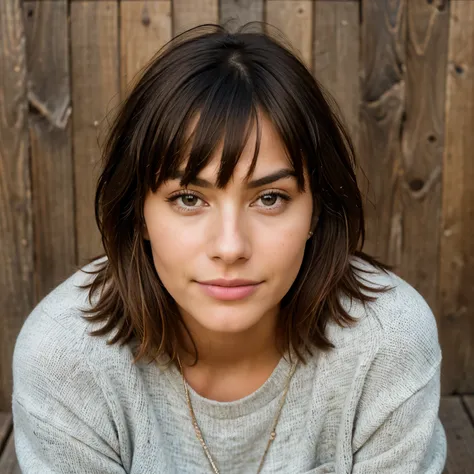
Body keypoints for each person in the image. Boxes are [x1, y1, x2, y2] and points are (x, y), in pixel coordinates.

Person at [12, 23, 446, 474]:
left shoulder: (387, 342)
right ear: (138, 213)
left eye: (270, 198)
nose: (230, 246)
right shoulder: (64, 358)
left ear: (315, 212)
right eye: (189, 199)